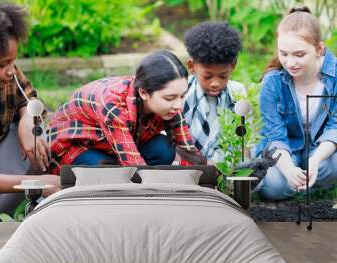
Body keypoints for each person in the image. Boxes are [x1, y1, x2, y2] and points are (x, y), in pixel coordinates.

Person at [48, 50, 206, 173]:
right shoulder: (112, 105)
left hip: (114, 144)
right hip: (77, 146)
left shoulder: (170, 101)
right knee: (106, 173)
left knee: (163, 149)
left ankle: (118, 172)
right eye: (170, 98)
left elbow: (188, 149)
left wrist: (204, 175)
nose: (179, 105)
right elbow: (135, 165)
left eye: (182, 96)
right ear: (144, 93)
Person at [0, 0, 60, 220]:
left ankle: (24, 206)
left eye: (13, 62)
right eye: (2, 64)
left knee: (38, 134)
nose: (11, 71)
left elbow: (30, 97)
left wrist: (27, 118)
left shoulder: (7, 75)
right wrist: (36, 183)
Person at [257, 7, 337, 200]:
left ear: (319, 49)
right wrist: (288, 169)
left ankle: (306, 179)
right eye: (283, 54)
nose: (290, 62)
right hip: (286, 150)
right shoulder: (272, 82)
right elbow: (274, 134)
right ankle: (304, 181)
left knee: (330, 168)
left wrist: (316, 160)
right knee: (273, 187)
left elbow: (335, 126)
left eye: (299, 55)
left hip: (323, 150)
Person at [183, 22, 246, 163]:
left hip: (228, 166)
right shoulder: (181, 93)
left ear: (233, 65)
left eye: (223, 76)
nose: (215, 83)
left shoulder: (238, 93)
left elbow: (245, 140)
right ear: (192, 66)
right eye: (207, 76)